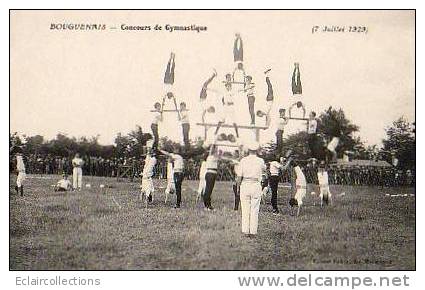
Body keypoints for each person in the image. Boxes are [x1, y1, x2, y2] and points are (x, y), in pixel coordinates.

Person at [237, 141, 266, 237]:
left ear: (248, 150)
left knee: (245, 208)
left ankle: (245, 231)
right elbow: (264, 172)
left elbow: (239, 177)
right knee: (255, 209)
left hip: (245, 184)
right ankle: (253, 232)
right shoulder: (260, 161)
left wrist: (238, 188)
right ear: (257, 150)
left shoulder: (243, 160)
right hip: (256, 185)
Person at [203, 143, 219, 211]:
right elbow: (212, 149)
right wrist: (213, 143)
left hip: (212, 174)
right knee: (208, 190)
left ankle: (208, 205)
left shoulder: (214, 156)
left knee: (209, 190)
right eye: (215, 149)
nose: (216, 150)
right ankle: (207, 206)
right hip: (211, 174)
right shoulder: (211, 156)